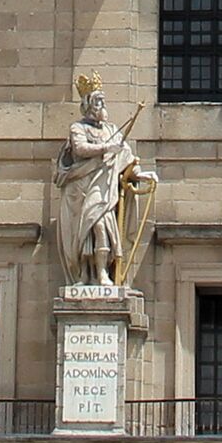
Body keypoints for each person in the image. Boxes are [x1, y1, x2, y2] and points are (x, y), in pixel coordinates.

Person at [55, 77, 156, 289]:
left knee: (101, 227)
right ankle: (84, 273)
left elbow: (125, 158)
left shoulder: (111, 130)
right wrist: (107, 148)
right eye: (98, 102)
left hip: (103, 190)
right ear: (89, 105)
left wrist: (141, 174)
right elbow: (80, 149)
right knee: (86, 231)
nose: (103, 107)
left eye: (103, 102)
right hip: (80, 188)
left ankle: (101, 273)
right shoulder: (78, 128)